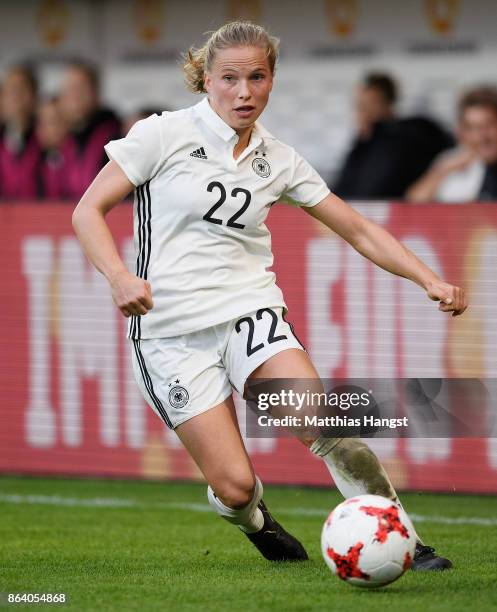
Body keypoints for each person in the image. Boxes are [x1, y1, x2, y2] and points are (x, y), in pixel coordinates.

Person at [72, 21, 466, 569]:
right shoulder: (161, 135)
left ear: (272, 80)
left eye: (256, 77)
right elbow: (86, 210)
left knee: (325, 423)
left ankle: (402, 537)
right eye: (229, 78)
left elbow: (357, 228)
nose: (244, 91)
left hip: (249, 313)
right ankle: (255, 520)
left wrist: (428, 278)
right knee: (234, 487)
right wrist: (118, 276)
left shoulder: (278, 158)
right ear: (205, 80)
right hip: (171, 332)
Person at [332, 72, 453, 199]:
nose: (364, 112)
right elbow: (342, 189)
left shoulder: (411, 133)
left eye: (370, 104)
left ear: (387, 102)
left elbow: (375, 189)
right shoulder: (362, 145)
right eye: (360, 106)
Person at [407, 86, 497, 203]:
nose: (481, 136)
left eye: (489, 125)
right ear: (461, 131)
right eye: (472, 128)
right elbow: (412, 203)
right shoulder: (451, 161)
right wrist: (442, 171)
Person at [59, 61, 121, 200]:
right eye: (69, 89)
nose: (74, 97)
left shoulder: (116, 139)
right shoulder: (56, 141)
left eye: (80, 88)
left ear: (96, 93)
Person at [0, 65, 41, 199]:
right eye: (10, 91)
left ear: (34, 97)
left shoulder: (46, 139)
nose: (15, 97)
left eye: (21, 90)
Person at [36, 97, 72, 200]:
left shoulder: (79, 158)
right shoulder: (37, 158)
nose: (43, 129)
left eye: (52, 121)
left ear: (66, 123)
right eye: (41, 122)